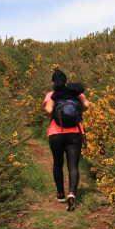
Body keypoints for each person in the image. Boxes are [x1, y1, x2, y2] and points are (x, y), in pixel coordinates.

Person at [42, 69, 90, 211]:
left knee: (58, 163)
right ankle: (72, 194)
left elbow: (49, 111)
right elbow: (87, 106)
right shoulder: (77, 93)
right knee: (73, 165)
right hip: (75, 132)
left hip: (56, 133)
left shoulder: (52, 95)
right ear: (66, 80)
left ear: (53, 82)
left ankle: (61, 194)